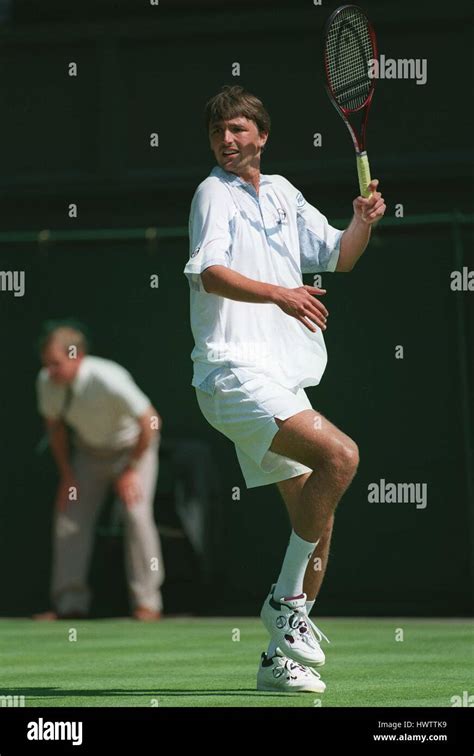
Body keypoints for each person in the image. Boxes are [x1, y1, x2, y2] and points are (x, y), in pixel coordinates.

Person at [183, 85, 386, 693]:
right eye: (219, 131)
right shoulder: (212, 194)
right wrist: (282, 293)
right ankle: (284, 605)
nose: (227, 140)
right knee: (341, 456)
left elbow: (339, 258)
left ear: (262, 136)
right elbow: (210, 272)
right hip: (231, 373)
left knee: (315, 513)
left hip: (281, 380)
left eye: (239, 129)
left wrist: (361, 221)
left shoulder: (284, 193)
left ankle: (279, 658)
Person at [34, 321, 164, 621]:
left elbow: (152, 422)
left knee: (136, 514)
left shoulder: (109, 378)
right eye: (46, 364)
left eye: (56, 364)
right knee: (69, 518)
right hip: (88, 455)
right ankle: (70, 604)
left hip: (133, 451)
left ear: (77, 357)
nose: (50, 371)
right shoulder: (46, 382)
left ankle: (147, 603)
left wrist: (131, 469)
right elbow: (55, 430)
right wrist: (67, 476)